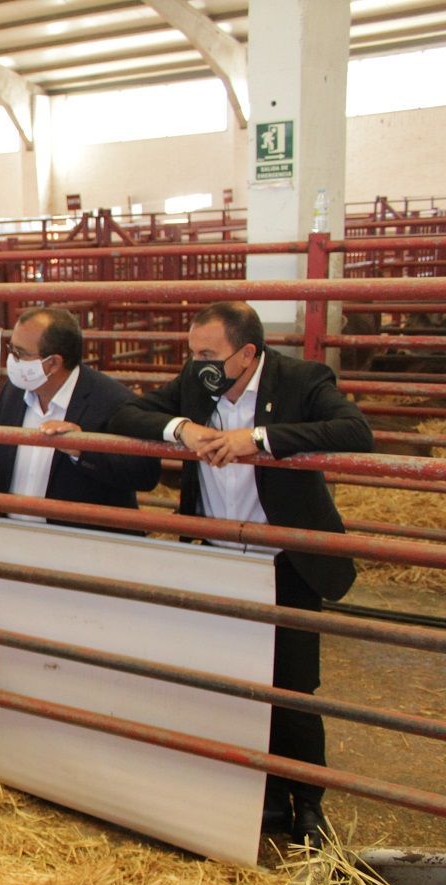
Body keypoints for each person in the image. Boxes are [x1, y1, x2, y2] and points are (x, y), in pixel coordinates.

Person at [108, 300, 373, 847]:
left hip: (284, 560)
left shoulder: (300, 379)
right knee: (229, 680)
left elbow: (354, 430)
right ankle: (259, 793)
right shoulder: (196, 383)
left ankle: (307, 802)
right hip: (216, 557)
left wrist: (260, 439)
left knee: (293, 686)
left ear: (248, 353)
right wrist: (179, 429)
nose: (197, 363)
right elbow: (126, 415)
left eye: (209, 354)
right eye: (192, 353)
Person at [0, 307, 161, 521]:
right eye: (10, 349)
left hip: (81, 542)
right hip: (13, 535)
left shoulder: (113, 401)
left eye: (20, 353)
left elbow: (145, 474)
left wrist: (84, 450)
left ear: (53, 363)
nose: (12, 360)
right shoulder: (14, 390)